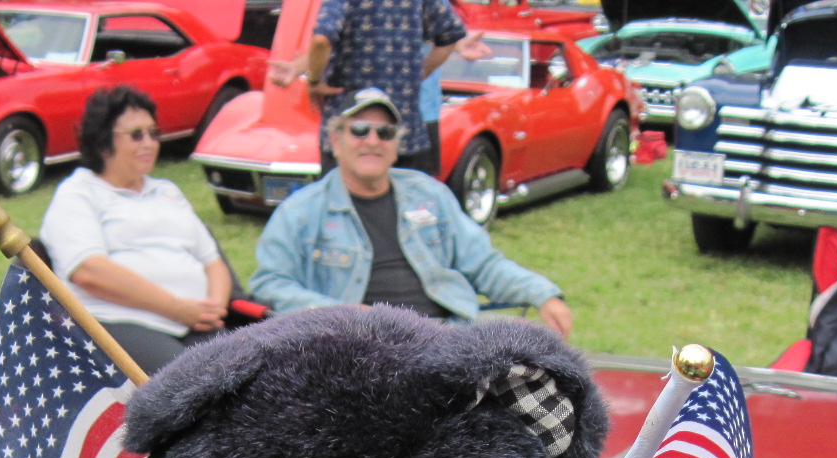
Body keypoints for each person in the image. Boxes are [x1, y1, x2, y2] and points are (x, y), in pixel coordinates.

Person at [249, 89, 573, 339]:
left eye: (385, 132)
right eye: (359, 130)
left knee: (534, 401)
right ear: (335, 141)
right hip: (355, 345)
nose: (372, 141)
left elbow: (484, 264)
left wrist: (542, 294)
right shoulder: (301, 211)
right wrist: (340, 313)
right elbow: (269, 284)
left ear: (396, 144)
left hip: (447, 336)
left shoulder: (429, 194)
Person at [38, 86, 233, 376]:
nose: (149, 143)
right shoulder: (79, 193)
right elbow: (89, 271)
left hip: (196, 322)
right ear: (104, 142)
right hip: (119, 322)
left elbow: (212, 260)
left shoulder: (167, 192)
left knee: (252, 377)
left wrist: (213, 306)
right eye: (136, 135)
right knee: (192, 384)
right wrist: (175, 308)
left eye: (154, 133)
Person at [269, 0, 469, 173]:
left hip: (351, 135)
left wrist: (313, 82)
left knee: (344, 213)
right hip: (404, 135)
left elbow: (322, 41)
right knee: (408, 213)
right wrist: (417, 75)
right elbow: (450, 35)